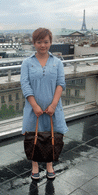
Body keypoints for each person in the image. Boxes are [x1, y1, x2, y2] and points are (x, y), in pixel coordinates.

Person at [20, 27, 68, 180]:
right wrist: (34, 105)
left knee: (51, 135)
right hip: (33, 108)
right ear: (34, 43)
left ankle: (49, 164)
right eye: (39, 42)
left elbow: (61, 84)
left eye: (46, 42)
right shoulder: (27, 63)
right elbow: (25, 84)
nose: (43, 45)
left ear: (51, 42)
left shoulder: (57, 62)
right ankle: (34, 165)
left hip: (53, 108)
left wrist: (53, 105)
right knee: (33, 135)